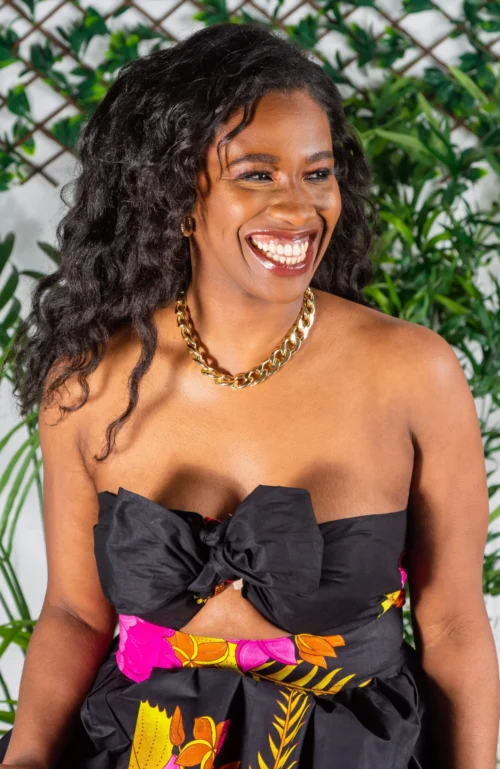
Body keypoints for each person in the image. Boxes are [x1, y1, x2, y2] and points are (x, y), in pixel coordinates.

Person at [0, 20, 498, 769]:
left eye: (317, 173)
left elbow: (455, 622)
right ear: (177, 196)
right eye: (257, 174)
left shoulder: (415, 373)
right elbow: (74, 613)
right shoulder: (87, 385)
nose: (299, 208)